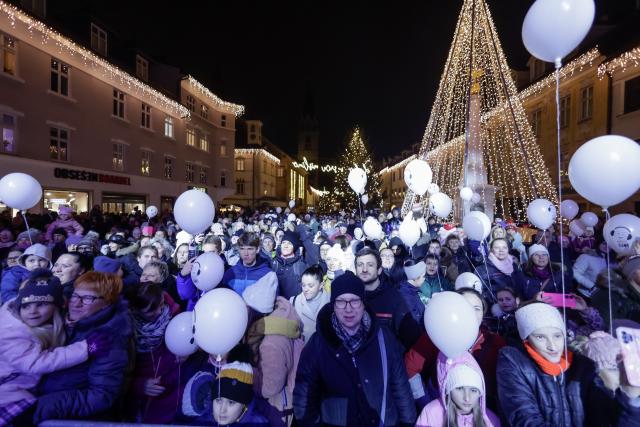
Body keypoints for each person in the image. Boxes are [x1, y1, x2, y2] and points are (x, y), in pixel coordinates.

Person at [293, 272, 416, 426]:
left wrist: (408, 422)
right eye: (341, 302)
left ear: (363, 303)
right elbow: (303, 395)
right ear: (333, 305)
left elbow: (400, 386)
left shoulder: (384, 337)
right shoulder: (318, 344)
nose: (348, 309)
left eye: (354, 301)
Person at [496, 302, 639, 426]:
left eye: (557, 336)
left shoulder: (582, 365)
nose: (552, 346)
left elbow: (604, 417)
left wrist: (630, 395)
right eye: (540, 337)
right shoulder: (514, 361)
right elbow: (524, 419)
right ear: (527, 339)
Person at [0, 269, 108, 425]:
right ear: (18, 306)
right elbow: (34, 363)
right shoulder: (11, 333)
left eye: (41, 304)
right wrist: (84, 349)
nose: (32, 312)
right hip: (6, 393)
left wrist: (70, 322)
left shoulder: (46, 322)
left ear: (57, 306)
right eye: (26, 306)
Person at [34, 271, 133, 423]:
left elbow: (102, 395)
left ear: (107, 302)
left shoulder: (108, 338)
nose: (76, 303)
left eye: (88, 298)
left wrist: (46, 406)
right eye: (75, 295)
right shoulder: (59, 320)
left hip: (65, 417)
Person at [124, 282, 182, 424]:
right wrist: (138, 385)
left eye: (161, 305)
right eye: (150, 311)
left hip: (170, 387)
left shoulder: (174, 316)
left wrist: (179, 357)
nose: (159, 312)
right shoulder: (124, 328)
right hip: (137, 400)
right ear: (135, 309)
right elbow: (114, 373)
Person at [355, 247, 422, 350]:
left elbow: (410, 337)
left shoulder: (394, 297)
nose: (364, 269)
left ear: (379, 270)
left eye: (370, 265)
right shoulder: (350, 298)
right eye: (360, 265)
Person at [415, 352, 500, 427]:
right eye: (459, 388)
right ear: (448, 389)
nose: (467, 398)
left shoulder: (491, 421)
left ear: (481, 393)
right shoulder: (431, 413)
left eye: (473, 390)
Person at [180, 355, 269, 426]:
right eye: (218, 400)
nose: (222, 410)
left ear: (244, 405)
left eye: (231, 402)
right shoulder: (202, 422)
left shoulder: (258, 423)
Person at [223, 232, 277, 297]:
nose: (246, 253)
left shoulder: (268, 275)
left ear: (257, 249)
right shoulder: (230, 273)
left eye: (250, 249)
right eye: (242, 249)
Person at [289, 264, 330, 344]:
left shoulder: (331, 303)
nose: (306, 289)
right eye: (303, 285)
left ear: (321, 285)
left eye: (310, 286)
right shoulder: (293, 302)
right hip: (302, 352)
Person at [477, 238, 525, 304]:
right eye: (497, 247)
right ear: (491, 250)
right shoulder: (482, 269)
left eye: (504, 247)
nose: (501, 250)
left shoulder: (514, 266)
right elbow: (481, 293)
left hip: (517, 306)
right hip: (496, 307)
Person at [272, 231, 308, 299]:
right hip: (275, 306)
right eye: (283, 243)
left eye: (289, 243)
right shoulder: (273, 263)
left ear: (294, 247)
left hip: (293, 307)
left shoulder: (300, 265)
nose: (286, 246)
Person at [399, 259, 427, 323]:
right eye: (423, 276)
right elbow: (415, 320)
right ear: (416, 276)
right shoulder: (406, 295)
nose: (425, 278)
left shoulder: (412, 291)